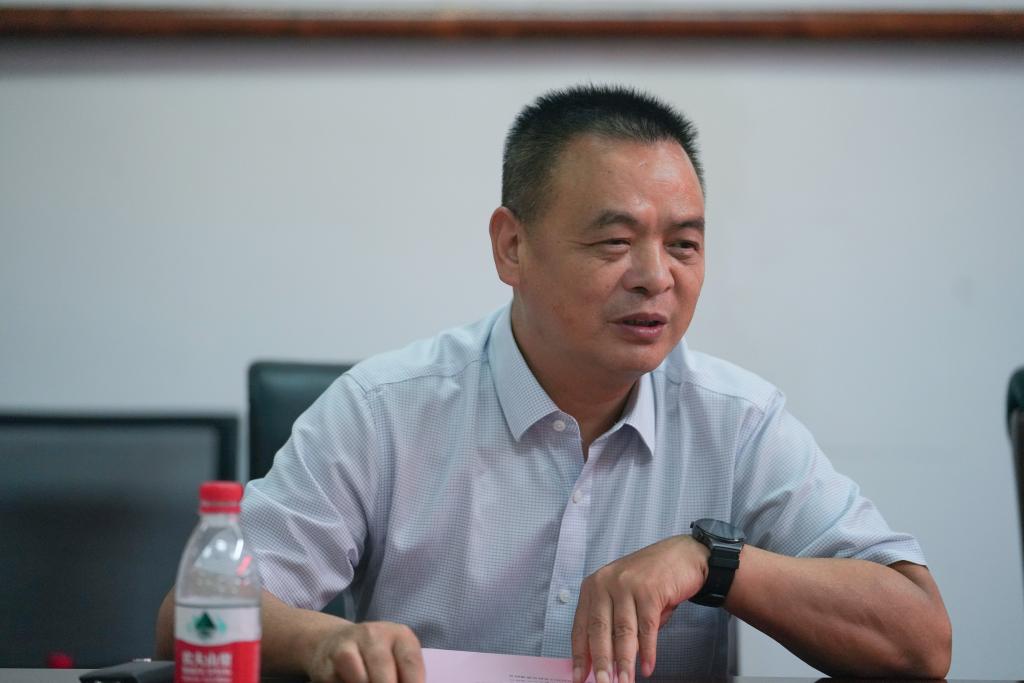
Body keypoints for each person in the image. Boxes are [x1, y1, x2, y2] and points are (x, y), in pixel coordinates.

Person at [157, 85, 951, 683]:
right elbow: (189, 618)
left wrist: (713, 563)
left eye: (683, 244)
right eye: (614, 241)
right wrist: (327, 641)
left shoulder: (736, 422)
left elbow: (922, 639)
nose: (656, 277)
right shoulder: (385, 413)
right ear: (512, 247)